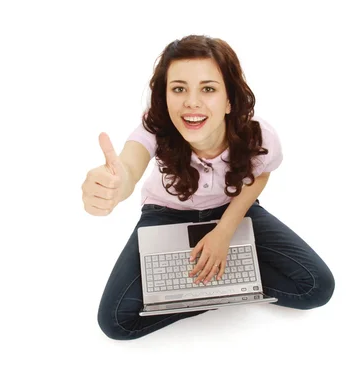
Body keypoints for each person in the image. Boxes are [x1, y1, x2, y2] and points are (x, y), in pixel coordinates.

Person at [81, 34, 335, 340]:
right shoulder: (155, 127)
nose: (192, 102)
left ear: (229, 100)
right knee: (117, 323)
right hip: (165, 214)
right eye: (178, 89)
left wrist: (224, 231)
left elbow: (261, 175)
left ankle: (214, 287)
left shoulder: (260, 136)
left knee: (316, 287)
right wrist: (115, 186)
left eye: (208, 89)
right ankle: (217, 292)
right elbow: (129, 167)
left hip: (232, 210)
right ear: (165, 96)